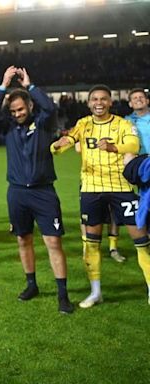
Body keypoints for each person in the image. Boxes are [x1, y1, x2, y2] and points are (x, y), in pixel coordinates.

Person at [52, 84, 150, 308]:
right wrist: (58, 146)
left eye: (103, 99)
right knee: (92, 243)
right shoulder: (83, 124)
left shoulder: (123, 124)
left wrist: (114, 147)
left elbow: (133, 143)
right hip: (91, 189)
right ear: (88, 103)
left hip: (121, 188)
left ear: (110, 102)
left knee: (141, 241)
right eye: (95, 99)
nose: (99, 103)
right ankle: (96, 292)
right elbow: (70, 139)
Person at [0, 66, 73, 314]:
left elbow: (50, 107)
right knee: (23, 240)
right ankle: (31, 284)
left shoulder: (44, 123)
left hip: (43, 192)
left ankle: (63, 294)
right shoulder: (8, 127)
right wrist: (3, 85)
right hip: (17, 193)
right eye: (13, 111)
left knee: (53, 242)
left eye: (21, 109)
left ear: (30, 107)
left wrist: (29, 86)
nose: (17, 114)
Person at [75, 142, 125, 262]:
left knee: (113, 212)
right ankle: (86, 247)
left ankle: (113, 248)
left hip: (113, 177)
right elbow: (78, 147)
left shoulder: (118, 126)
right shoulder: (85, 125)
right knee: (86, 214)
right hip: (91, 178)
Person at [125, 88, 150, 155]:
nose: (138, 99)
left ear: (147, 101)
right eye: (135, 98)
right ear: (130, 104)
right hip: (138, 161)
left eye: (141, 97)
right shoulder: (126, 121)